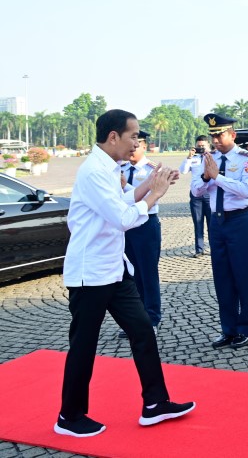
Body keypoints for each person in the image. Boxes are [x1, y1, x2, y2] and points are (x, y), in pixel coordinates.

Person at [56, 109, 194, 438]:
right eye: (133, 135)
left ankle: (155, 403)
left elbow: (121, 201)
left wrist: (149, 183)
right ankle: (69, 416)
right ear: (113, 136)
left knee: (143, 331)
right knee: (84, 344)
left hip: (115, 269)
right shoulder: (93, 171)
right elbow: (122, 218)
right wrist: (156, 195)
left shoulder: (108, 167)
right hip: (91, 274)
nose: (137, 142)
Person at [191, 113, 248, 349]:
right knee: (222, 278)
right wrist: (205, 176)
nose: (216, 140)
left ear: (232, 134)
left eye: (219, 135)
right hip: (217, 222)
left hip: (241, 220)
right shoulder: (208, 159)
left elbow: (246, 191)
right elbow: (197, 191)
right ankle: (228, 329)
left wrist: (216, 177)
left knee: (244, 276)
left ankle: (245, 327)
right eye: (213, 136)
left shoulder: (245, 158)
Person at [119, 130, 162, 338]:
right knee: (132, 274)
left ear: (145, 146)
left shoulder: (152, 169)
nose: (134, 147)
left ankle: (152, 318)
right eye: (132, 143)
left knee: (148, 274)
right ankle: (136, 320)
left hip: (146, 225)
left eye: (138, 144)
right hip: (127, 225)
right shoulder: (121, 168)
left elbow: (147, 196)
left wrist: (124, 185)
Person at [180, 135, 212, 257]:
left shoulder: (213, 157)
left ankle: (214, 247)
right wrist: (189, 157)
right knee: (198, 223)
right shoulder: (193, 158)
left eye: (203, 146)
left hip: (209, 193)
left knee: (212, 223)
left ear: (208, 145)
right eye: (199, 146)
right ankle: (199, 249)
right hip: (195, 195)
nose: (201, 148)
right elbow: (183, 171)